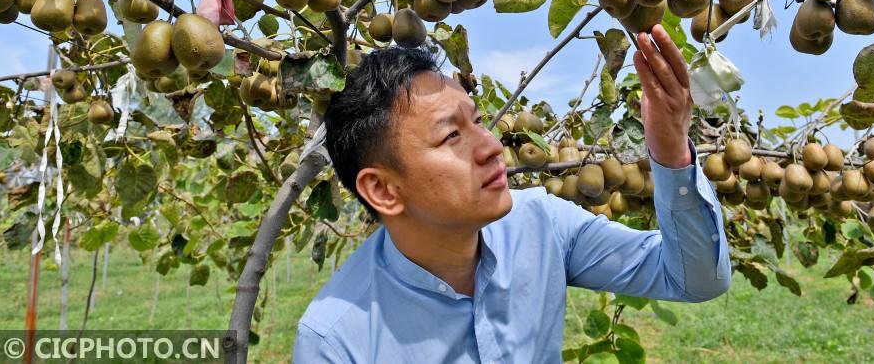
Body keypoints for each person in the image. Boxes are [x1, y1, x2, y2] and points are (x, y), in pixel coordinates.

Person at [294, 24, 731, 362]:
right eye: (450, 137)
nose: (489, 146)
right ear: (383, 190)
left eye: (478, 121)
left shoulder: (543, 224)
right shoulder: (336, 341)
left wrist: (672, 150)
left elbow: (694, 278)